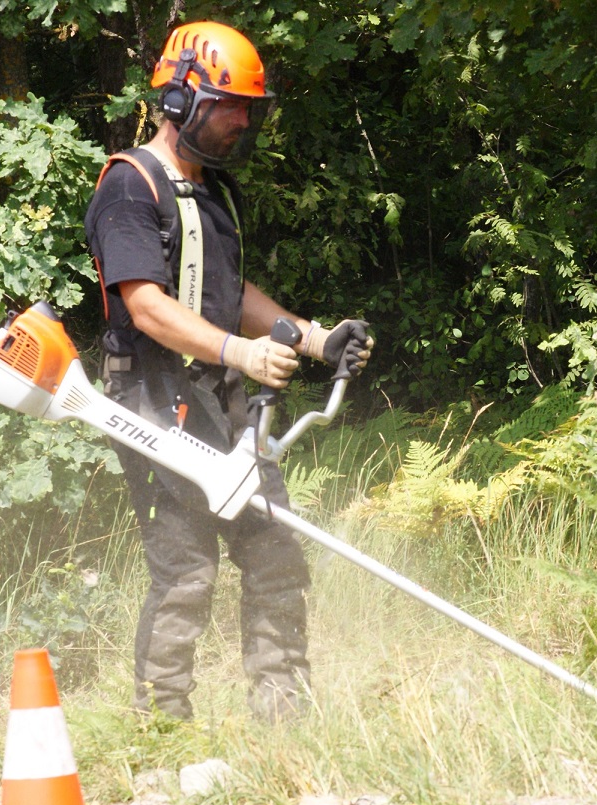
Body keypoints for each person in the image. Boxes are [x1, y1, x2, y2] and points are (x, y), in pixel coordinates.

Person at [83, 20, 372, 722]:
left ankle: (283, 714)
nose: (241, 121)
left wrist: (313, 337)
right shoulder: (130, 187)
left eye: (249, 107)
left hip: (220, 403)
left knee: (274, 551)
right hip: (152, 401)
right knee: (186, 568)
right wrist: (240, 352)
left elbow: (229, 291)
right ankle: (161, 724)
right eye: (229, 106)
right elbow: (145, 305)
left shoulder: (213, 193)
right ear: (180, 101)